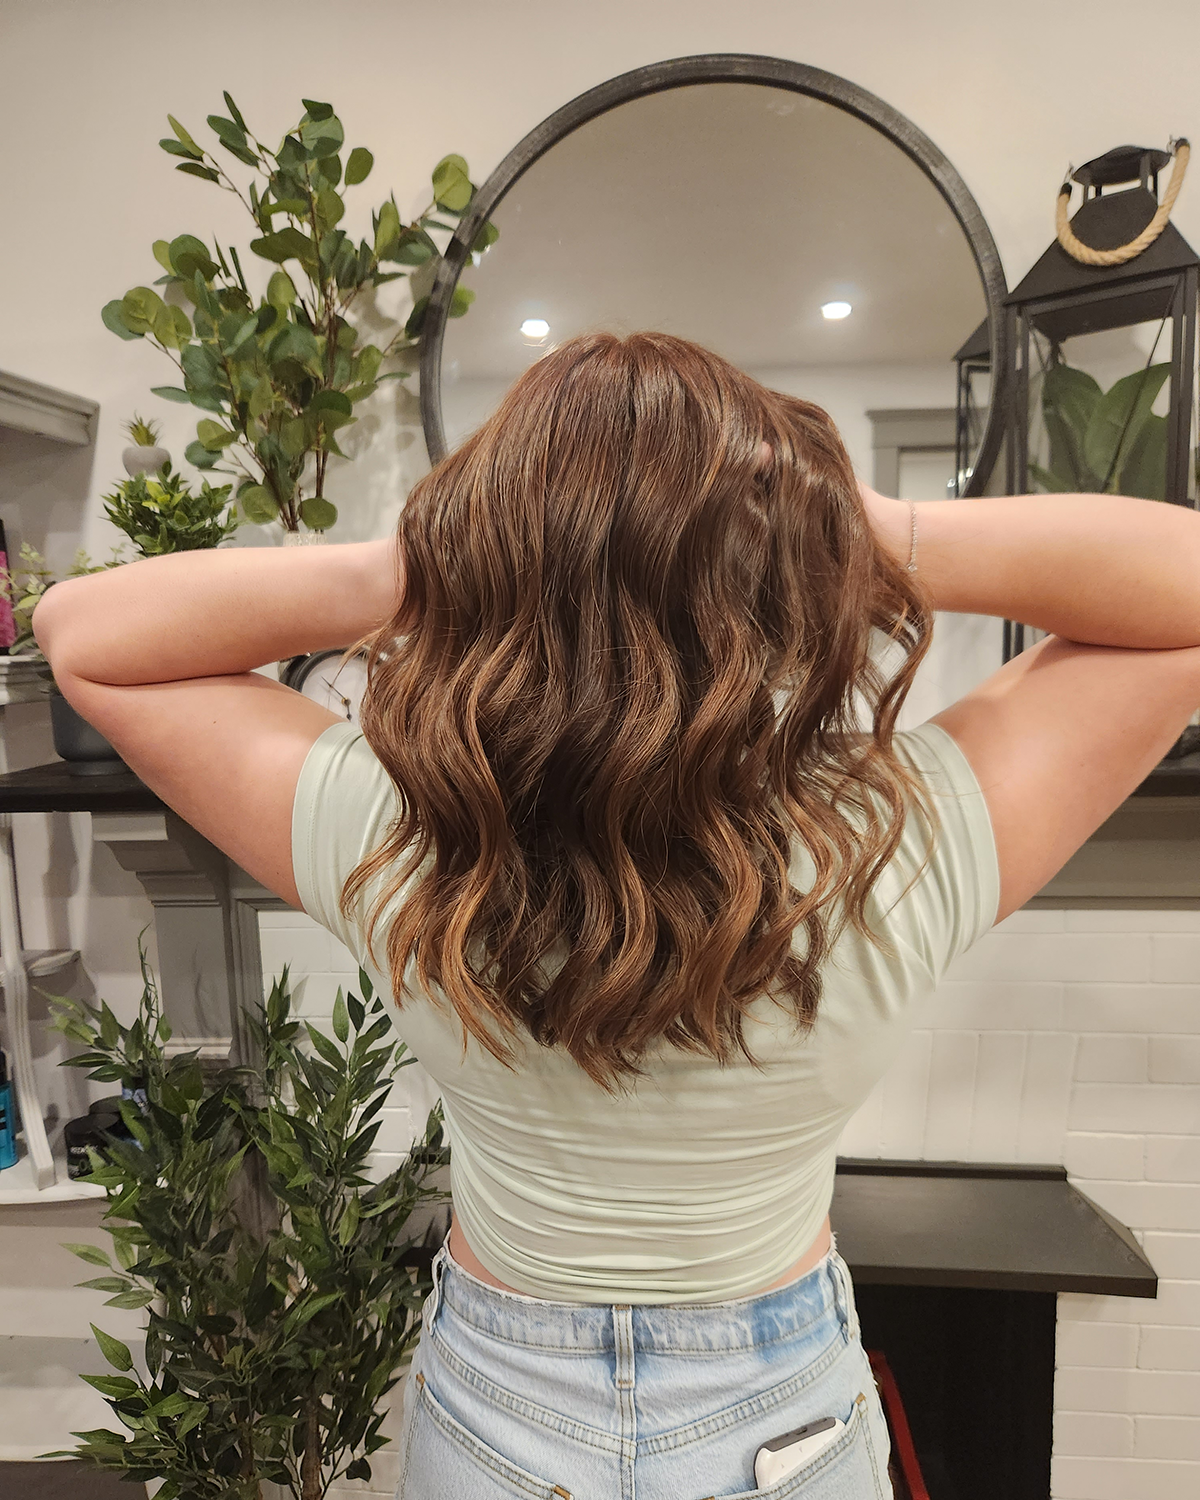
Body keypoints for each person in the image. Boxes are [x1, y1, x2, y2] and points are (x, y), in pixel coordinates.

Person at [34, 332, 1200, 1500]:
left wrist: (428, 558)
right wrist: (864, 531)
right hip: (782, 1422)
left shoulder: (403, 829)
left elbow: (87, 638)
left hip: (499, 1415)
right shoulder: (894, 833)